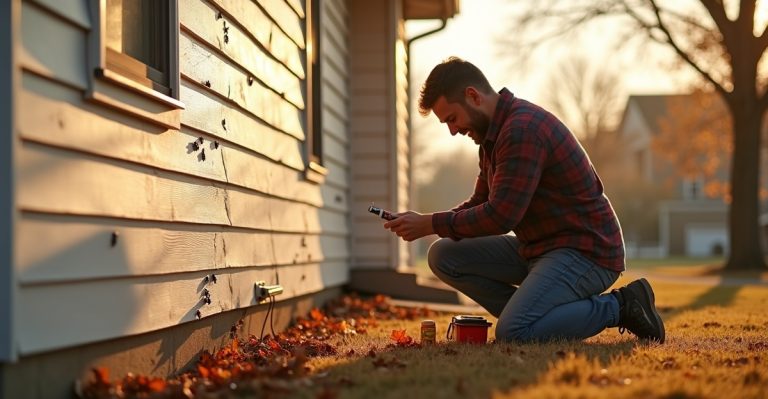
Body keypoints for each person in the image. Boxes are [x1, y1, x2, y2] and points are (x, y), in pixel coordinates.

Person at [383, 56, 665, 343]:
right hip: (539, 249)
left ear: (473, 96)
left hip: (586, 253)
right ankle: (534, 320)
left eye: (452, 119)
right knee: (443, 255)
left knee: (513, 332)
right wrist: (422, 222)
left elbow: (501, 216)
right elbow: (480, 203)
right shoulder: (490, 139)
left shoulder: (522, 130)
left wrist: (431, 223)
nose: (453, 131)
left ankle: (621, 306)